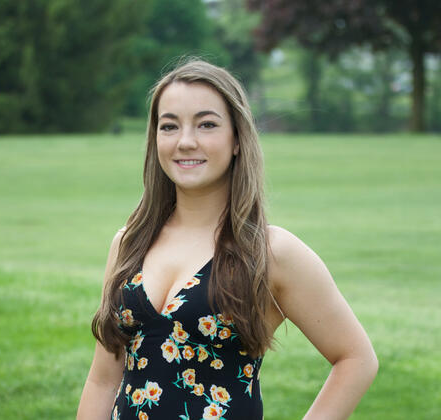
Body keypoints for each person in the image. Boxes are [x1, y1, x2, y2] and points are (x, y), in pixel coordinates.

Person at [77, 59, 378, 420]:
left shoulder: (270, 252)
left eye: (206, 124)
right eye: (169, 126)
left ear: (237, 139)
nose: (186, 142)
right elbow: (102, 381)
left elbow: (356, 359)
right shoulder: (129, 243)